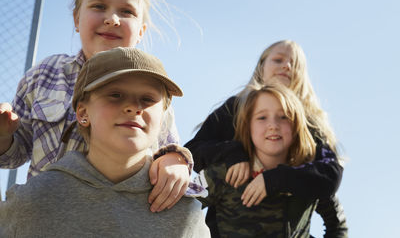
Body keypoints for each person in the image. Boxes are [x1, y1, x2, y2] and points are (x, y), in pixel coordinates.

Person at [0, 0, 190, 212]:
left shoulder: (152, 91)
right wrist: (3, 137)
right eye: (99, 6)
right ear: (77, 18)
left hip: (120, 220)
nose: (112, 18)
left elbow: (169, 148)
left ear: (141, 31)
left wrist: (176, 160)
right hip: (47, 214)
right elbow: (15, 155)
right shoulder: (44, 74)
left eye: (126, 11)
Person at [0, 47, 211, 238]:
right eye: (115, 95)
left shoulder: (185, 213)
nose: (134, 107)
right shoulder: (33, 200)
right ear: (82, 112)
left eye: (148, 99)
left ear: (163, 118)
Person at [185, 40, 348, 237]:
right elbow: (194, 151)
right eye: (278, 59)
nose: (287, 66)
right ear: (261, 66)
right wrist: (235, 153)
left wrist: (275, 179)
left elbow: (330, 174)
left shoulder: (310, 122)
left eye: (294, 64)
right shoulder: (235, 107)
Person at [198, 83, 320, 237]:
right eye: (262, 117)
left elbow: (337, 224)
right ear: (248, 126)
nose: (273, 126)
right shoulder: (222, 173)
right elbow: (180, 205)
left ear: (296, 125)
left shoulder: (309, 177)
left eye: (284, 117)